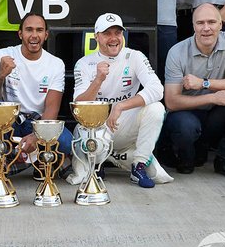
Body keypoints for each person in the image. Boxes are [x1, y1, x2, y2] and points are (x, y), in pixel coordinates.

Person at [71, 13, 173, 188]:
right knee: (85, 141)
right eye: (107, 33)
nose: (113, 38)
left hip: (124, 123)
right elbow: (79, 106)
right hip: (98, 125)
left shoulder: (135, 56)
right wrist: (98, 80)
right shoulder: (84, 63)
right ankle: (98, 163)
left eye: (117, 33)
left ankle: (138, 165)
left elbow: (157, 89)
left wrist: (120, 106)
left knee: (156, 108)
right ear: (96, 36)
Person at [161, 4, 225, 178]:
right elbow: (171, 102)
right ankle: (186, 155)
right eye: (200, 23)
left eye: (211, 22)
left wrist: (204, 84)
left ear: (221, 24)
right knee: (185, 128)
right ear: (193, 26)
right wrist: (212, 97)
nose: (206, 28)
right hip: (186, 113)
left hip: (214, 115)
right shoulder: (177, 52)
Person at [0, 13, 72, 176]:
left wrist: (37, 136)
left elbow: (52, 109)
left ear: (46, 35)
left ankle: (38, 159)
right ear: (20, 34)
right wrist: (1, 75)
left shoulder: (56, 64)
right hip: (10, 120)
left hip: (39, 121)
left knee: (66, 143)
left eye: (39, 30)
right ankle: (23, 160)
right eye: (29, 30)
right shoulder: (3, 55)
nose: (34, 35)